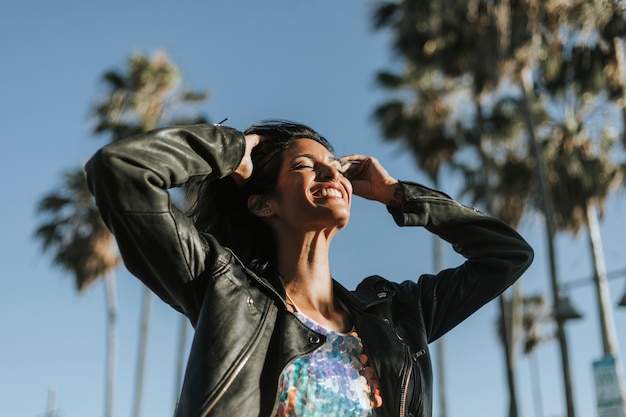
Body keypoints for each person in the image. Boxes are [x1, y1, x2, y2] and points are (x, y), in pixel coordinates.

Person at [85, 120, 533, 417]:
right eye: (305, 166)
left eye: (335, 169)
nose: (331, 176)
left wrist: (398, 194)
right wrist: (233, 149)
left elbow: (507, 255)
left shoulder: (397, 316)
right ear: (263, 203)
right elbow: (120, 171)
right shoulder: (225, 290)